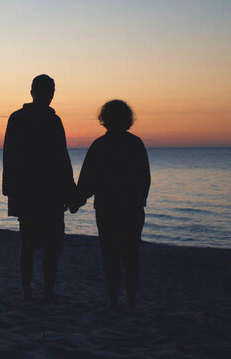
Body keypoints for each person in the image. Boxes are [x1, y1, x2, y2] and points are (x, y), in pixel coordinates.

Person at [2, 74, 78, 302]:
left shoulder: (19, 118)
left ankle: (33, 291)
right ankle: (43, 291)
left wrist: (10, 188)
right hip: (44, 191)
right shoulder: (49, 121)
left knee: (32, 243)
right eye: (49, 91)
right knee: (47, 245)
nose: (50, 95)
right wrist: (70, 191)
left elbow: (9, 155)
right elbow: (61, 159)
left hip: (31, 191)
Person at [77, 99, 150, 308]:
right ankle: (131, 300)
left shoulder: (100, 145)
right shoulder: (135, 144)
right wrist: (139, 200)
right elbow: (144, 178)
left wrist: (76, 200)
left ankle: (113, 300)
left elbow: (87, 180)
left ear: (104, 119)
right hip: (132, 208)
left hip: (107, 207)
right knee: (130, 254)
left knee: (110, 255)